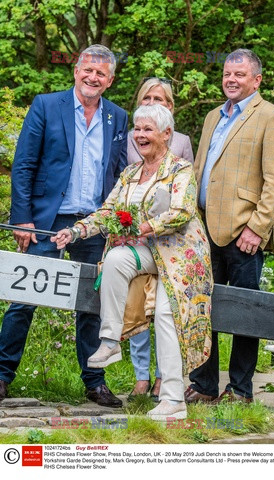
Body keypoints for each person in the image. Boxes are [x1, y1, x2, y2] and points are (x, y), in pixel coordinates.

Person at [52, 104, 213, 420]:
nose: (140, 135)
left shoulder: (179, 169)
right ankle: (110, 340)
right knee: (114, 258)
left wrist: (141, 227)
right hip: (145, 252)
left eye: (148, 129)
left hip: (180, 256)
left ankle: (172, 401)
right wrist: (75, 231)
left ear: (166, 134)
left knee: (167, 315)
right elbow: (109, 212)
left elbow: (182, 212)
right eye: (137, 129)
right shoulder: (129, 174)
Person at [0, 44, 128, 407]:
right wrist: (21, 219)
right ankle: (1, 375)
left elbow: (118, 173)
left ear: (110, 80)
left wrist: (116, 222)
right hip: (45, 222)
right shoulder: (46, 105)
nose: (92, 77)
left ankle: (94, 382)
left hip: (92, 226)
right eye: (87, 70)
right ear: (76, 70)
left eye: (101, 73)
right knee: (23, 300)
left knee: (91, 306)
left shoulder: (116, 117)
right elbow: (24, 165)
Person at [185, 48, 274, 405]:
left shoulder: (272, 116)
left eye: (240, 75)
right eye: (227, 74)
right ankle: (203, 385)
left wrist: (257, 227)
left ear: (256, 80)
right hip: (203, 231)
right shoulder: (212, 116)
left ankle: (240, 390)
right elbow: (201, 171)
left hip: (243, 233)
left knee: (247, 316)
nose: (231, 80)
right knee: (202, 310)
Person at [128, 77, 194, 401]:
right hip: (131, 235)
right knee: (137, 303)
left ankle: (163, 377)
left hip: (166, 238)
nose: (154, 102)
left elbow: (187, 194)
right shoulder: (131, 136)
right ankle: (140, 375)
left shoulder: (180, 141)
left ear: (170, 104)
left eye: (161, 98)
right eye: (148, 97)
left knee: (165, 308)